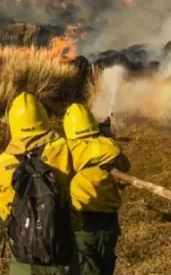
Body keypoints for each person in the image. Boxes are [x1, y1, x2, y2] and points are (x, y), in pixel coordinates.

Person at [0, 92, 74, 275]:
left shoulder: (2, 162)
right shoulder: (62, 148)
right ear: (43, 117)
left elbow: (4, 209)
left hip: (23, 253)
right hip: (60, 248)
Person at [62, 103, 131, 275]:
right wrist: (107, 137)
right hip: (108, 223)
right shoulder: (108, 148)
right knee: (105, 266)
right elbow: (125, 166)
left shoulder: (66, 150)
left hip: (80, 223)